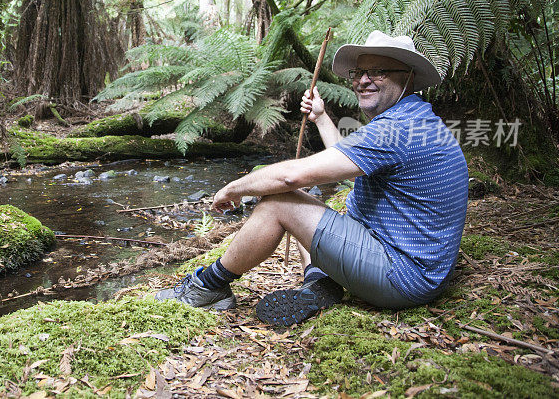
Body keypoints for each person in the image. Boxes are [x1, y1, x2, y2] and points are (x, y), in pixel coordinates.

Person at [156, 30, 469, 326]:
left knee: (280, 201)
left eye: (379, 72)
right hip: (411, 266)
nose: (363, 81)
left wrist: (235, 188)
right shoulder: (413, 119)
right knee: (309, 201)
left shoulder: (396, 129)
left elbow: (291, 176)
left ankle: (208, 287)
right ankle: (319, 284)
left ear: (409, 78)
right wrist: (320, 117)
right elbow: (343, 158)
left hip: (401, 277)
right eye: (358, 73)